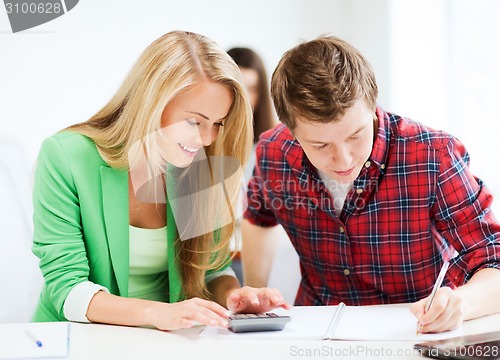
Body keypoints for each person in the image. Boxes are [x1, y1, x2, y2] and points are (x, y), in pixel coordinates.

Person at [31, 30, 290, 331]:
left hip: (164, 341)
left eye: (218, 123)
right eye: (194, 121)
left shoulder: (200, 166)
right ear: (151, 103)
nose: (206, 139)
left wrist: (235, 296)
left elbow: (211, 271)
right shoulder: (65, 157)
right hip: (72, 339)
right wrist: (158, 314)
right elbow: (67, 289)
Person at [241, 35, 500, 333]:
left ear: (373, 101)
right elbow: (258, 219)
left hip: (415, 329)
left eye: (355, 135)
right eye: (320, 145)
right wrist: (254, 294)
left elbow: (493, 255)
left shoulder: (433, 156)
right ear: (291, 131)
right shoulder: (274, 151)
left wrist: (461, 304)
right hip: (314, 331)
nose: (343, 159)